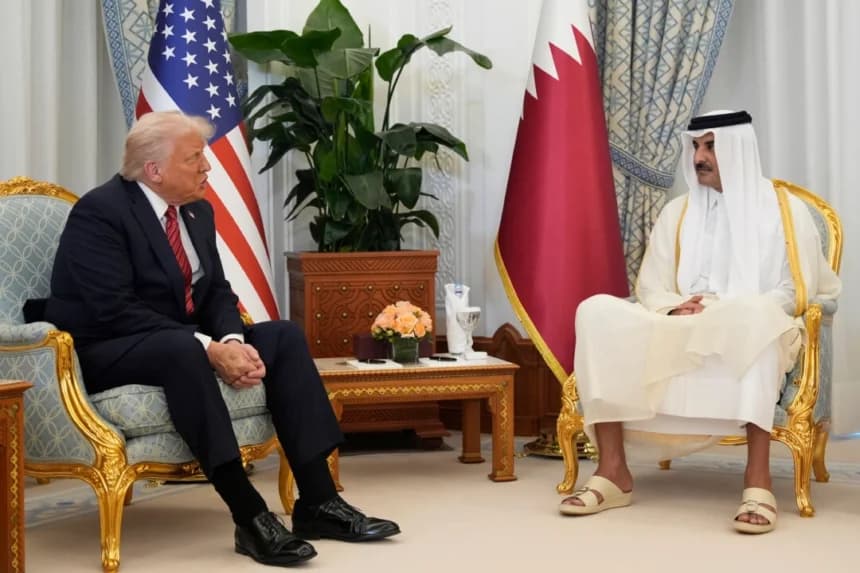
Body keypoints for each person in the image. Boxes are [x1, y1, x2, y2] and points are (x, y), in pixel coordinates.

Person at [45, 111, 400, 566]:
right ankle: (249, 515)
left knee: (284, 337)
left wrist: (231, 338)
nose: (207, 168)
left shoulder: (196, 210)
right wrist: (209, 349)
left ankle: (319, 503)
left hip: (176, 338)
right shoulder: (101, 212)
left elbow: (215, 291)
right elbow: (114, 309)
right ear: (154, 170)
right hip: (109, 346)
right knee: (180, 350)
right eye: (195, 159)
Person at [558, 110, 841, 534]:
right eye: (695, 146)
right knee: (595, 309)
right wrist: (673, 308)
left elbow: (794, 289)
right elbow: (651, 287)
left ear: (738, 148)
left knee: (756, 316)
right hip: (679, 320)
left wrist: (726, 308)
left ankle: (757, 482)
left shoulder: (786, 212)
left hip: (750, 317)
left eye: (710, 146)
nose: (699, 157)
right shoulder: (678, 212)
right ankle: (613, 470)